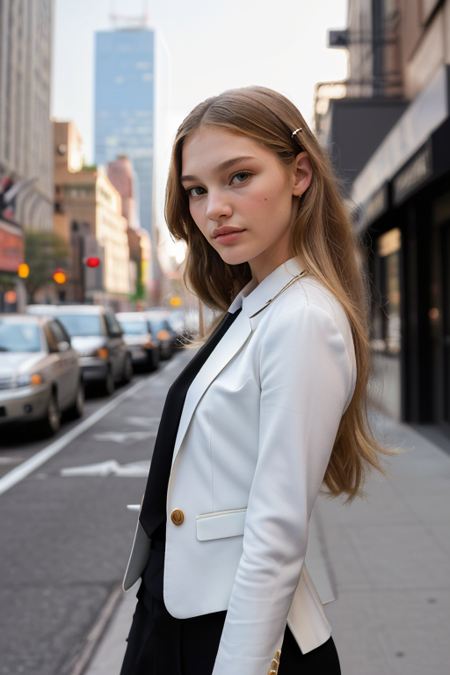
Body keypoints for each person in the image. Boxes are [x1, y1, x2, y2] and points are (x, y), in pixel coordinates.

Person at [120, 86, 388, 675]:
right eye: (196, 189)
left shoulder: (303, 317)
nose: (213, 207)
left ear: (299, 174)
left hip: (230, 636)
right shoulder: (255, 304)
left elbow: (276, 528)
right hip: (176, 615)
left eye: (237, 177)